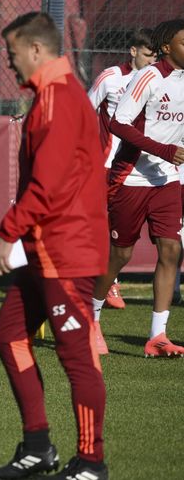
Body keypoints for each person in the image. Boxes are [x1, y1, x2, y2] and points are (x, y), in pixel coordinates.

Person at [0, 12, 108, 480]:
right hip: (46, 248)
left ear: (36, 50)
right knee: (8, 336)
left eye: (12, 53)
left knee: (77, 358)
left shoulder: (59, 98)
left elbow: (47, 185)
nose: (9, 62)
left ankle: (92, 462)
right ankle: (38, 447)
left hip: (66, 250)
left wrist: (8, 231)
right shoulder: (51, 96)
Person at [92, 18, 184, 358]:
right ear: (167, 48)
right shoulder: (148, 76)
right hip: (130, 177)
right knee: (121, 254)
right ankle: (91, 318)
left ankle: (157, 335)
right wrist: (164, 150)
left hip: (167, 178)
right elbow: (119, 123)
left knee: (171, 250)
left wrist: (170, 155)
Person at [86, 28, 156, 312]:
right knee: (100, 222)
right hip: (107, 165)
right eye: (148, 55)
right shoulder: (111, 77)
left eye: (155, 56)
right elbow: (85, 110)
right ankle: (108, 281)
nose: (152, 61)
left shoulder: (158, 80)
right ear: (133, 51)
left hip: (141, 167)